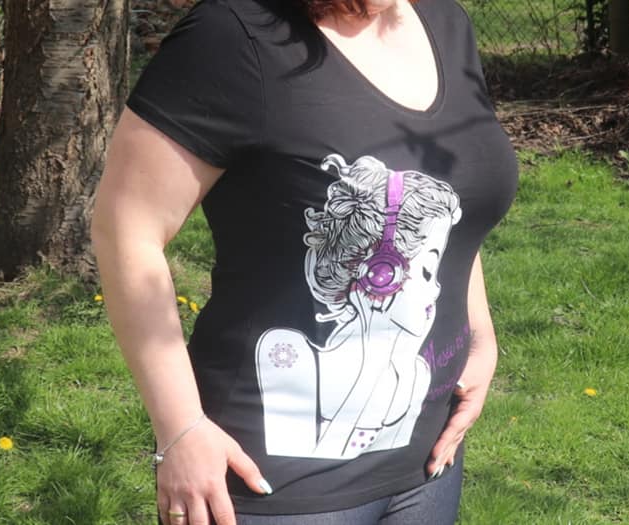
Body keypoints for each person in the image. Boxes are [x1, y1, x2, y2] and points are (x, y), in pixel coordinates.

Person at [90, 0, 519, 523]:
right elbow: (126, 229)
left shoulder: (446, 24)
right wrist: (180, 428)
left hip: (428, 460)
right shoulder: (233, 36)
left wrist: (481, 338)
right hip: (268, 482)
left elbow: (453, 210)